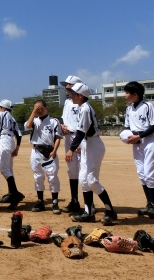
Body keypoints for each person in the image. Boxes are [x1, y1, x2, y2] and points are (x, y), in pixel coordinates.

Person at [66, 83, 117, 225]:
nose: (71, 96)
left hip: (94, 145)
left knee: (92, 180)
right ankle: (88, 213)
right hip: (88, 144)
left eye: (73, 94)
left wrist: (71, 148)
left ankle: (110, 211)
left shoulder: (85, 109)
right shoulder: (82, 108)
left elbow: (81, 132)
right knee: (83, 180)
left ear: (80, 96)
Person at [123, 81, 154, 219]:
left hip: (149, 141)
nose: (125, 95)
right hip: (137, 142)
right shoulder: (129, 109)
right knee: (141, 173)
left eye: (127, 93)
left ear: (135, 94)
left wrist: (139, 136)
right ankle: (149, 204)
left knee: (149, 173)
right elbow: (127, 127)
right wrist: (127, 136)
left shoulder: (148, 106)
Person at [25, 100, 63, 214]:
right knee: (38, 176)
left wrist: (54, 150)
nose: (38, 110)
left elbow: (57, 137)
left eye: (40, 107)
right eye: (36, 108)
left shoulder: (53, 121)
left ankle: (55, 202)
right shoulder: (34, 121)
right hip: (36, 150)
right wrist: (33, 112)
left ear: (47, 108)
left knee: (52, 177)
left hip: (49, 151)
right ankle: (40, 201)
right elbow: (27, 126)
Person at [60, 75, 83, 213]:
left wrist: (79, 141)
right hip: (68, 137)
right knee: (72, 170)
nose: (66, 87)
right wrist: (62, 126)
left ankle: (88, 204)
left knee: (84, 171)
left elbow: (84, 123)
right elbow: (64, 118)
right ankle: (74, 201)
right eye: (66, 85)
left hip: (78, 137)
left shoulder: (82, 102)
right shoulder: (68, 102)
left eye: (68, 85)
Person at [0, 99, 25, 209]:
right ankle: (13, 197)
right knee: (9, 169)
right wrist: (17, 147)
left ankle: (14, 194)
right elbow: (19, 134)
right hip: (11, 141)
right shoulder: (12, 118)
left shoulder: (1, 114)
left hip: (3, 140)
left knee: (3, 169)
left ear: (2, 108)